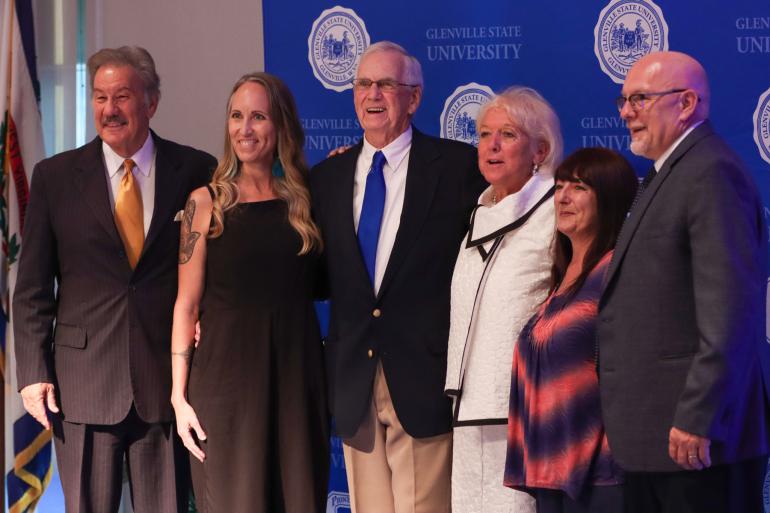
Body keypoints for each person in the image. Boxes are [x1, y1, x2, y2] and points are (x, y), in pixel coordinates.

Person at [13, 46, 215, 513]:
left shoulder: (197, 172)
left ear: (151, 102)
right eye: (99, 97)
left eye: (122, 96)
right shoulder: (55, 177)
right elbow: (32, 289)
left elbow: (214, 272)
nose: (109, 109)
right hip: (82, 386)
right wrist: (33, 372)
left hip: (166, 386)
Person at [310, 41, 486, 513]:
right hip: (353, 381)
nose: (373, 94)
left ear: (414, 97)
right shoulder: (326, 178)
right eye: (364, 83)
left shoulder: (458, 168)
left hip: (423, 378)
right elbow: (314, 275)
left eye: (387, 84)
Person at [598, 50, 770, 513]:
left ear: (687, 103)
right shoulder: (668, 174)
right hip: (656, 443)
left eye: (639, 99)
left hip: (696, 443)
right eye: (623, 100)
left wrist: (699, 415)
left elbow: (730, 312)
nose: (626, 112)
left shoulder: (711, 173)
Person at [169, 72, 329, 513]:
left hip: (297, 385)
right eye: (236, 116)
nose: (244, 128)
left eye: (258, 117)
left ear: (281, 126)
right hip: (225, 390)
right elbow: (186, 304)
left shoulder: (308, 200)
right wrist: (179, 397)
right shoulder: (204, 204)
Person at [444, 86, 563, 513]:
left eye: (508, 135)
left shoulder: (558, 211)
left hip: (524, 409)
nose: (491, 146)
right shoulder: (479, 212)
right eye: (483, 134)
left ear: (540, 149)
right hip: (469, 404)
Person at [504, 147, 638, 513]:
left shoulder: (617, 273)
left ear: (609, 197)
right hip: (551, 472)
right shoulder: (561, 279)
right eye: (560, 185)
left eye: (578, 187)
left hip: (602, 474)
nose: (562, 196)